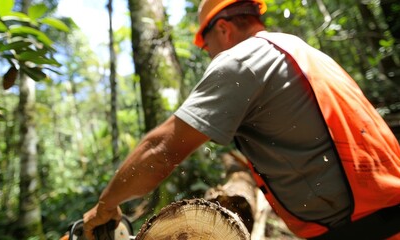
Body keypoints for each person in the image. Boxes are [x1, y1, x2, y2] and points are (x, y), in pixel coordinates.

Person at [83, 0, 400, 239]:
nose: (209, 55)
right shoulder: (300, 50)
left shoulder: (242, 59)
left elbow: (160, 149)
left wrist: (105, 206)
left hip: (367, 229)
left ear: (222, 28)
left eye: (206, 47)